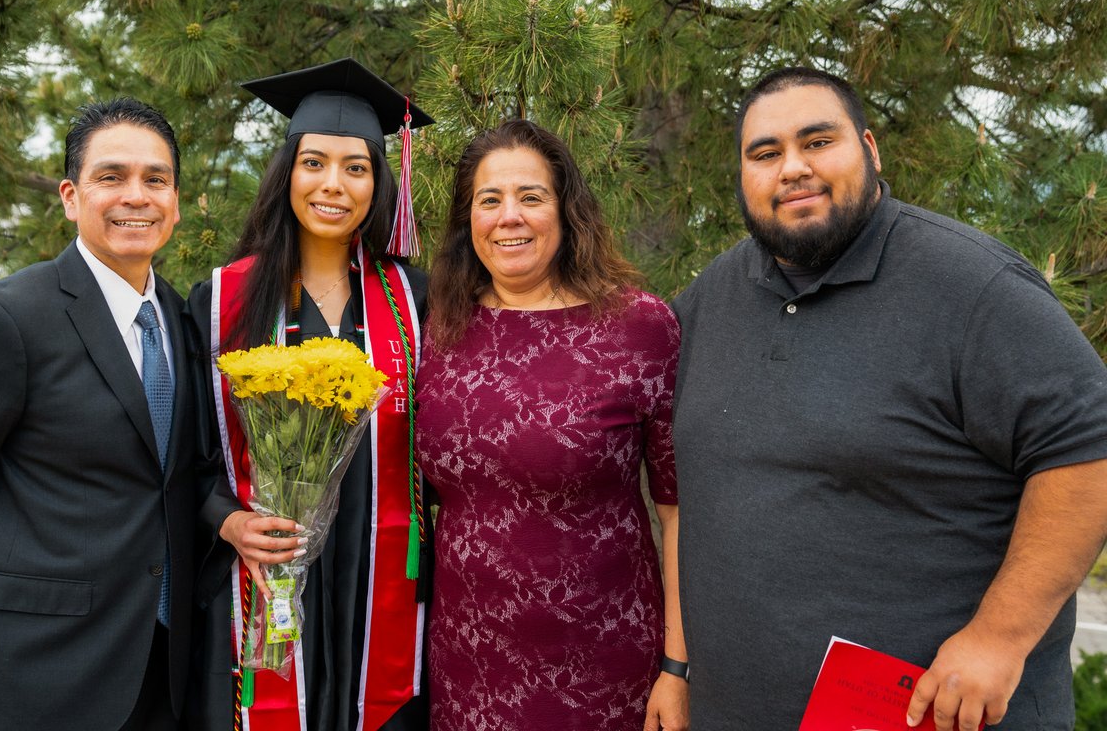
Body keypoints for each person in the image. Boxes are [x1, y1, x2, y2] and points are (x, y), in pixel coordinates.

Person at [672, 66, 1107, 730]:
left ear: (870, 151)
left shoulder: (973, 289)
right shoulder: (712, 298)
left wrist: (1001, 636)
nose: (792, 168)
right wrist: (677, 671)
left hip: (932, 713)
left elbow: (1088, 450)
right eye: (765, 153)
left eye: (818, 142)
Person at [0, 98, 195, 730]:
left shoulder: (186, 322)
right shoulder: (5, 318)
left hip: (159, 678)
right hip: (24, 677)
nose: (136, 197)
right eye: (111, 177)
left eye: (156, 179)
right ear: (70, 195)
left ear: (176, 200)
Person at [416, 119, 689, 731]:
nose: (509, 216)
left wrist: (678, 666)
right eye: (489, 200)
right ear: (469, 221)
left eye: (530, 197)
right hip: (467, 663)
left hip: (604, 665)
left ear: (567, 211)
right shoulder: (438, 327)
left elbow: (678, 511)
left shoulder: (640, 328)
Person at [186, 58, 432, 731]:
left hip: (379, 572)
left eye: (356, 168)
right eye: (314, 162)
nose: (333, 185)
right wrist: (229, 522)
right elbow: (186, 457)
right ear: (286, 172)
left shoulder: (416, 299)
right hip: (265, 574)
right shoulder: (221, 300)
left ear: (380, 183)